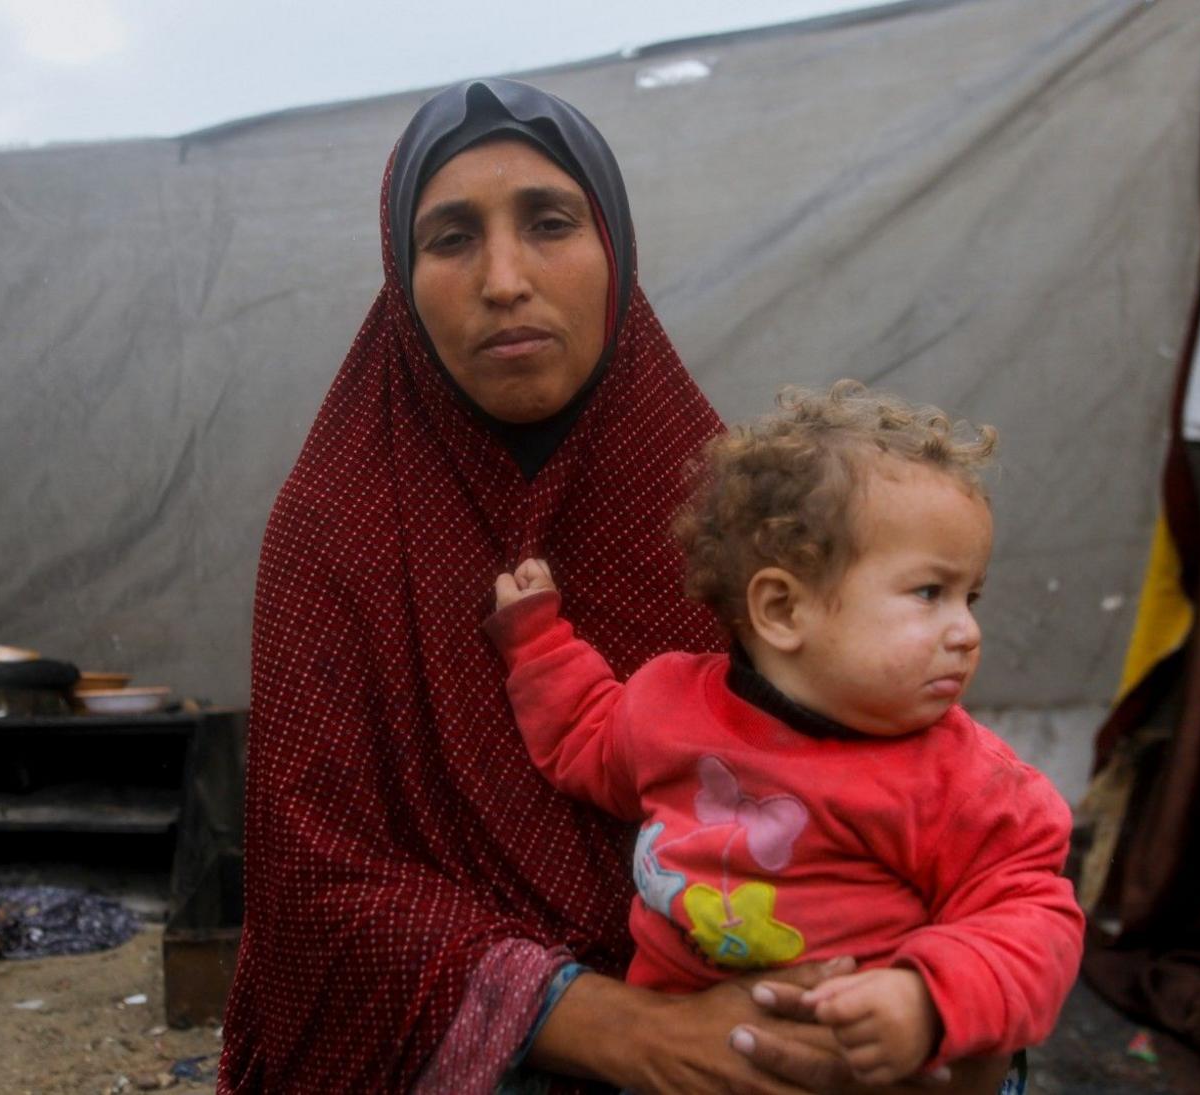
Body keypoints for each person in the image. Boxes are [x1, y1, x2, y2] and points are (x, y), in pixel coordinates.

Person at [219, 77, 1012, 1094]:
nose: (505, 277)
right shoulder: (338, 528)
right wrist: (614, 1025)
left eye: (550, 222)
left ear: (616, 254)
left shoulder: (725, 516)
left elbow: (888, 780)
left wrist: (928, 1000)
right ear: (400, 277)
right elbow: (316, 877)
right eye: (451, 238)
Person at [486, 384, 1085, 1088]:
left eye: (970, 596)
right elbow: (585, 736)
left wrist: (928, 1001)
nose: (967, 630)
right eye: (930, 592)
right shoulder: (669, 704)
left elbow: (1034, 917)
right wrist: (538, 644)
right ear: (782, 607)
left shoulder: (968, 780)